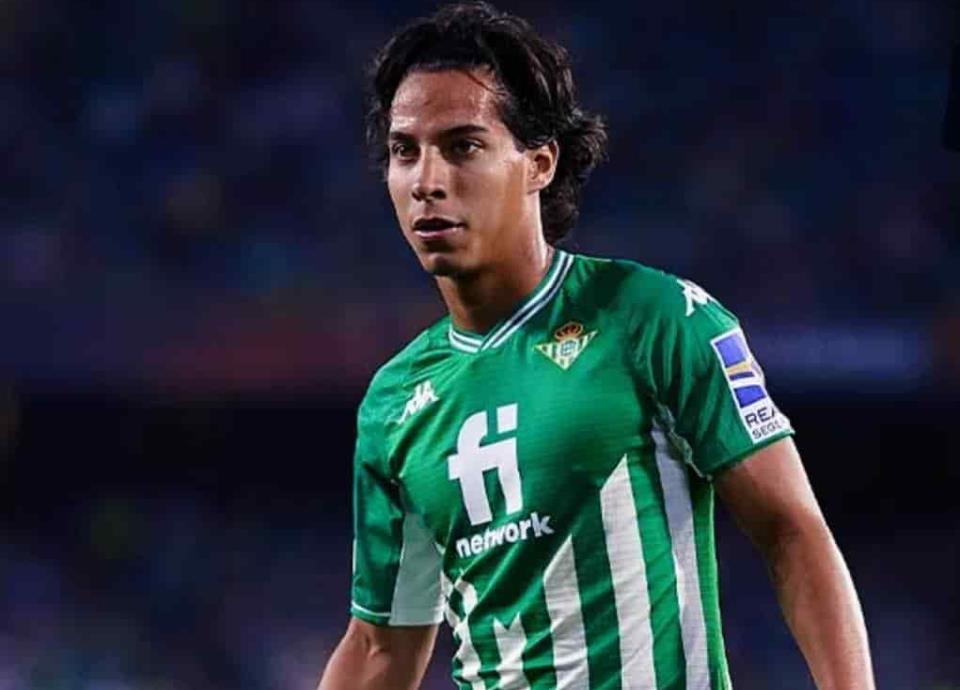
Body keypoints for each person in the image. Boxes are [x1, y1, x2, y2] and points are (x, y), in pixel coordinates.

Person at [318, 3, 875, 688]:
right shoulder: (393, 401)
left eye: (463, 146)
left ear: (539, 163)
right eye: (406, 152)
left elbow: (790, 532)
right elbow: (380, 646)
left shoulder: (655, 318)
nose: (427, 181)